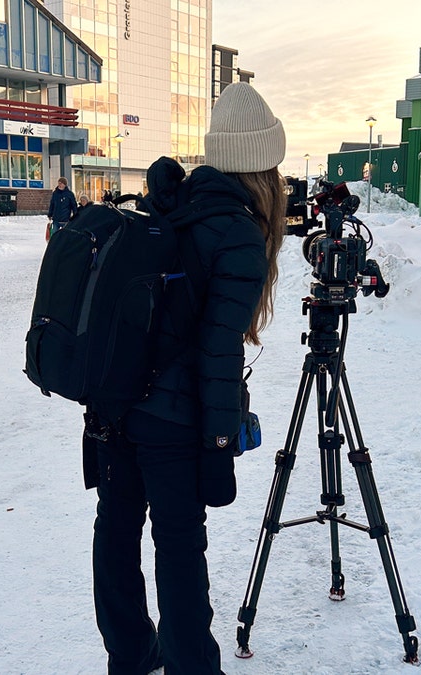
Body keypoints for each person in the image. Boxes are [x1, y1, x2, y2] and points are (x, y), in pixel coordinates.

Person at [86, 81, 286, 674]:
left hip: (115, 404)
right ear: (264, 168)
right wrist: (219, 442)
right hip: (170, 419)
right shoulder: (239, 233)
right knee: (178, 547)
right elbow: (216, 352)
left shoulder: (168, 204)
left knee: (116, 530)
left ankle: (130, 655)